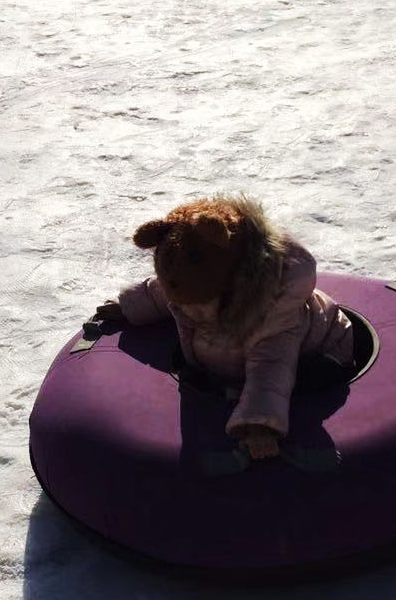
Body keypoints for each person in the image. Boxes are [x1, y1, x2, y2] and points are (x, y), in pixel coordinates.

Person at [96, 195, 354, 460]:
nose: (182, 302)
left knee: (302, 379)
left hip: (320, 352)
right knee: (197, 362)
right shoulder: (192, 282)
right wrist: (127, 306)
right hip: (234, 351)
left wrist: (258, 427)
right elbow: (163, 290)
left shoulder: (271, 319)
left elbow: (271, 371)